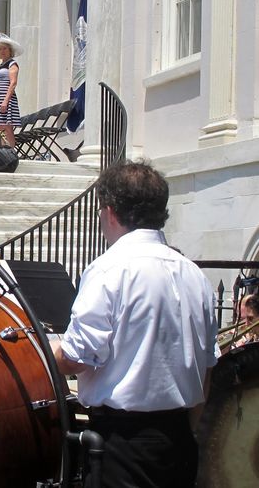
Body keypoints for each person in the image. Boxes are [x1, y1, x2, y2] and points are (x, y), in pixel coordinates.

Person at [52, 161, 218, 488]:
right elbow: (208, 368)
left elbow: (76, 358)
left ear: (110, 212)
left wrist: (46, 350)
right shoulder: (195, 275)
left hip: (123, 447)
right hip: (180, 441)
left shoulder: (110, 269)